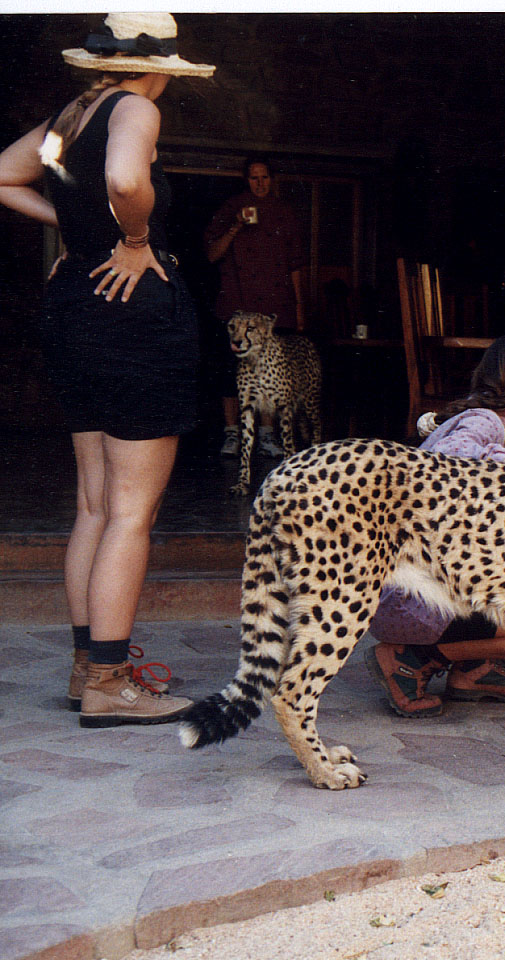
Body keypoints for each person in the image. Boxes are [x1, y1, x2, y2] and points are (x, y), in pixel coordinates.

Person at [0, 13, 214, 725]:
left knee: (94, 503)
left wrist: (73, 230)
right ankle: (111, 682)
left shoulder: (72, 113)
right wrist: (132, 238)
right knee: (131, 509)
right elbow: (125, 177)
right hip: (129, 315)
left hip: (72, 309)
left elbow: (3, 175)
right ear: (157, 67)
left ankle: (85, 668)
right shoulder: (135, 107)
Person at [365, 333, 505, 717]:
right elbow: (452, 455)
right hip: (416, 603)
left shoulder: (499, 423)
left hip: (412, 597)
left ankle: (474, 668)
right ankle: (410, 658)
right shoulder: (485, 422)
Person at [203, 156, 307, 457]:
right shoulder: (231, 208)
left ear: (272, 179)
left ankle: (265, 435)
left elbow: (296, 264)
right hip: (237, 306)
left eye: (264, 178)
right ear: (245, 180)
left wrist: (299, 307)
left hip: (274, 307)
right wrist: (236, 226)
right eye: (253, 178)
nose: (259, 183)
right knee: (229, 373)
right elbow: (212, 254)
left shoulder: (285, 212)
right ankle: (232, 433)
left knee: (271, 373)